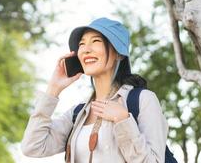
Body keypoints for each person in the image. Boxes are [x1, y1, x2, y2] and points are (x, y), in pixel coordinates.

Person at [21, 17, 168, 163]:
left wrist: (123, 120)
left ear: (119, 53)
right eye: (82, 44)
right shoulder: (77, 114)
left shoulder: (142, 100)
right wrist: (53, 89)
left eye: (96, 41)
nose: (86, 49)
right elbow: (32, 147)